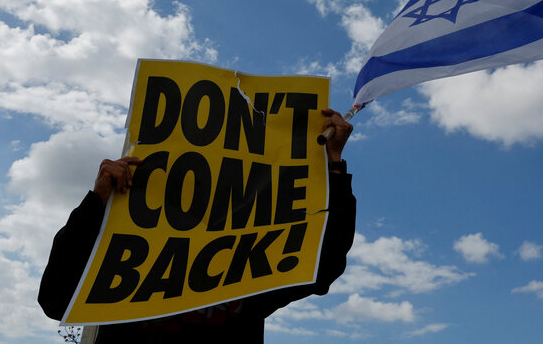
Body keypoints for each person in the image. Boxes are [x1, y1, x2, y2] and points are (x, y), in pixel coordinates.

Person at [38, 109, 356, 343]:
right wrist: (97, 200)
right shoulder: (122, 253)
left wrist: (334, 165)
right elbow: (56, 298)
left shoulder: (247, 267)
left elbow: (323, 267)